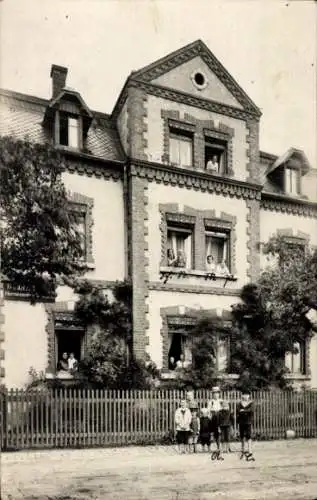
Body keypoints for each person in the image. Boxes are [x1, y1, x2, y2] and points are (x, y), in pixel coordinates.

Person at [237, 390, 255, 461]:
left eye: (247, 395)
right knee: (242, 436)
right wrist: (246, 411)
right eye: (244, 395)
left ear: (249, 396)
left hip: (248, 422)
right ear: (242, 396)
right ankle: (243, 450)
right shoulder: (239, 403)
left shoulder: (251, 403)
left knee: (249, 436)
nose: (245, 396)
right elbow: (238, 411)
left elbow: (251, 410)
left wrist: (243, 411)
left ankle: (250, 450)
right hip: (241, 422)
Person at [208, 386, 223, 460]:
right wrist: (210, 417)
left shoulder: (221, 401)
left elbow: (224, 410)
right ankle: (216, 450)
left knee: (219, 435)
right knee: (214, 435)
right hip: (213, 419)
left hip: (220, 419)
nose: (216, 395)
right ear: (212, 394)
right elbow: (208, 412)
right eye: (214, 393)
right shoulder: (211, 401)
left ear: (219, 394)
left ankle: (219, 452)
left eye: (217, 393)